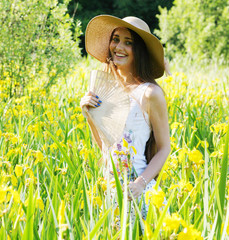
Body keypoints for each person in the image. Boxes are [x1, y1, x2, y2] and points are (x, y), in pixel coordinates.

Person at [80, 15, 171, 225]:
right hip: (111, 189)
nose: (119, 47)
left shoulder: (149, 93)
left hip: (139, 189)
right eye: (116, 39)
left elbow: (165, 147)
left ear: (138, 50)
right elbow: (105, 147)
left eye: (128, 42)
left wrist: (140, 183)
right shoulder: (105, 91)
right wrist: (88, 116)